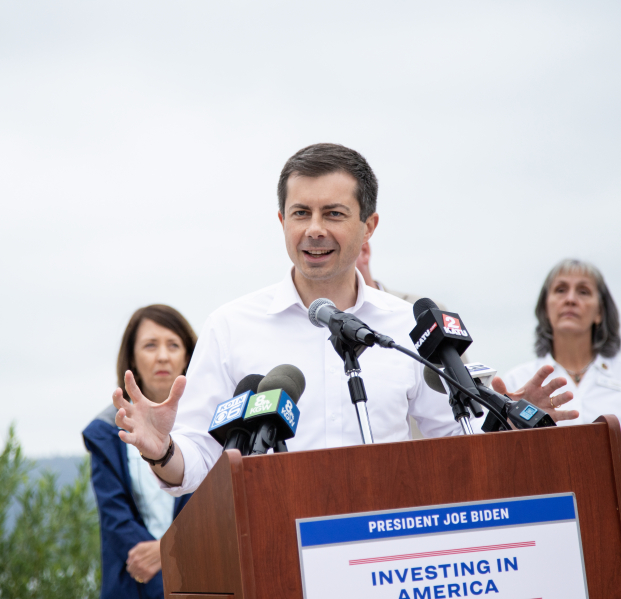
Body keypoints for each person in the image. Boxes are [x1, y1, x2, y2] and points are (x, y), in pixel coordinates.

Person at [113, 143, 576, 496]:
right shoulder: (232, 326)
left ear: (369, 226)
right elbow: (194, 465)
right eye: (301, 213)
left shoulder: (408, 328)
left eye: (333, 213)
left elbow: (459, 447)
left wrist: (510, 428)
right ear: (281, 221)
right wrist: (163, 450)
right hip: (275, 552)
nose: (314, 229)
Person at [499, 259, 621, 599]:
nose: (570, 299)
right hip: (550, 548)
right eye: (560, 290)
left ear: (599, 313)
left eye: (583, 291)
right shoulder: (520, 381)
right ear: (545, 309)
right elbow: (507, 471)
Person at [82, 305, 196, 599]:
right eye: (150, 345)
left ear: (188, 355)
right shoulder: (106, 430)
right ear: (132, 357)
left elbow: (225, 508)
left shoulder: (213, 425)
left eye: (173, 345)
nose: (162, 356)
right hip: (135, 584)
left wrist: (169, 551)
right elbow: (115, 519)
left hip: (203, 578)